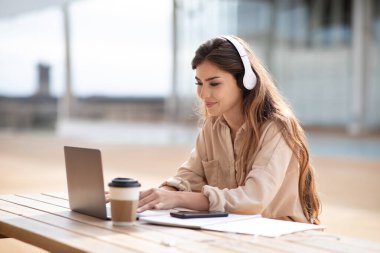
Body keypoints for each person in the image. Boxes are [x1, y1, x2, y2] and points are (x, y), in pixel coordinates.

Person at [138, 35, 321, 224]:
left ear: (245, 81)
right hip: (236, 232)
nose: (203, 94)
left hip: (282, 236)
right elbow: (190, 175)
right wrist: (156, 196)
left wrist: (178, 199)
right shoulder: (212, 127)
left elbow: (253, 199)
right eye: (199, 83)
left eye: (214, 83)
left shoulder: (276, 127)